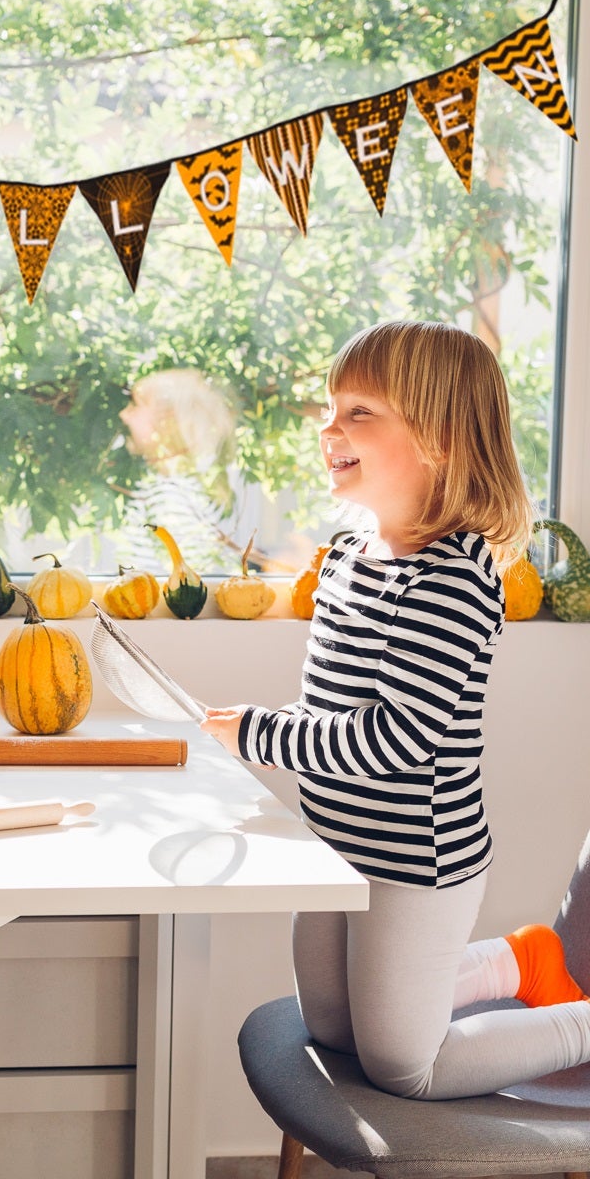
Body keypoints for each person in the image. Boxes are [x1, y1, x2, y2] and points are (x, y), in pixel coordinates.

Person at [200, 320, 590, 1100]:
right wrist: (266, 737)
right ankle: (520, 961)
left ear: (439, 438)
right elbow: (331, 705)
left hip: (418, 861)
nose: (328, 428)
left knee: (405, 1066)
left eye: (358, 413)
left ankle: (579, 1022)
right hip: (337, 845)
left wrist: (259, 735)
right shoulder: (349, 556)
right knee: (334, 1034)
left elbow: (399, 738)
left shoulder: (455, 579)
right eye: (330, 408)